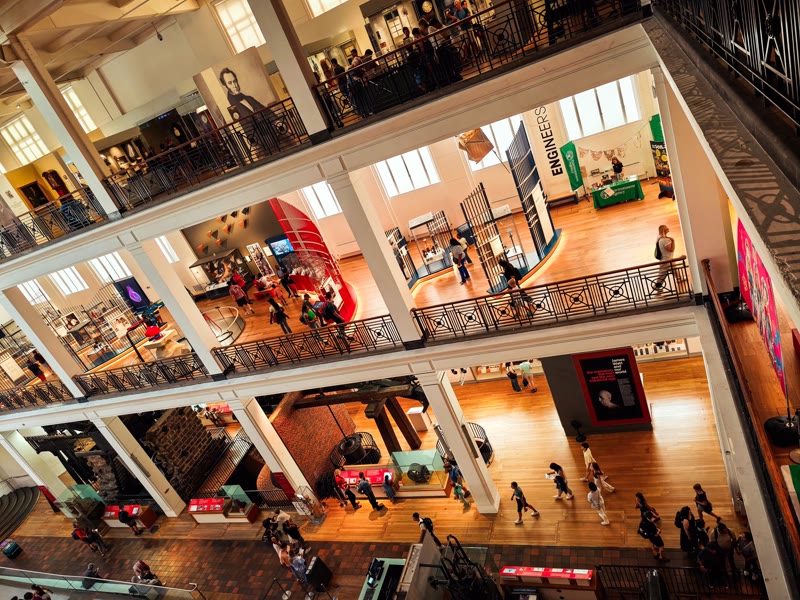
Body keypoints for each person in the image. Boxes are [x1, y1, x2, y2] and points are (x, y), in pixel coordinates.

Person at [654, 224, 675, 293]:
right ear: (664, 230)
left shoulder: (659, 237)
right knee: (662, 274)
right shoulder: (665, 240)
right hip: (666, 260)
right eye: (666, 228)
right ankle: (656, 286)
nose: (668, 228)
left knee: (674, 267)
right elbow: (671, 249)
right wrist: (673, 241)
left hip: (667, 259)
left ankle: (679, 278)